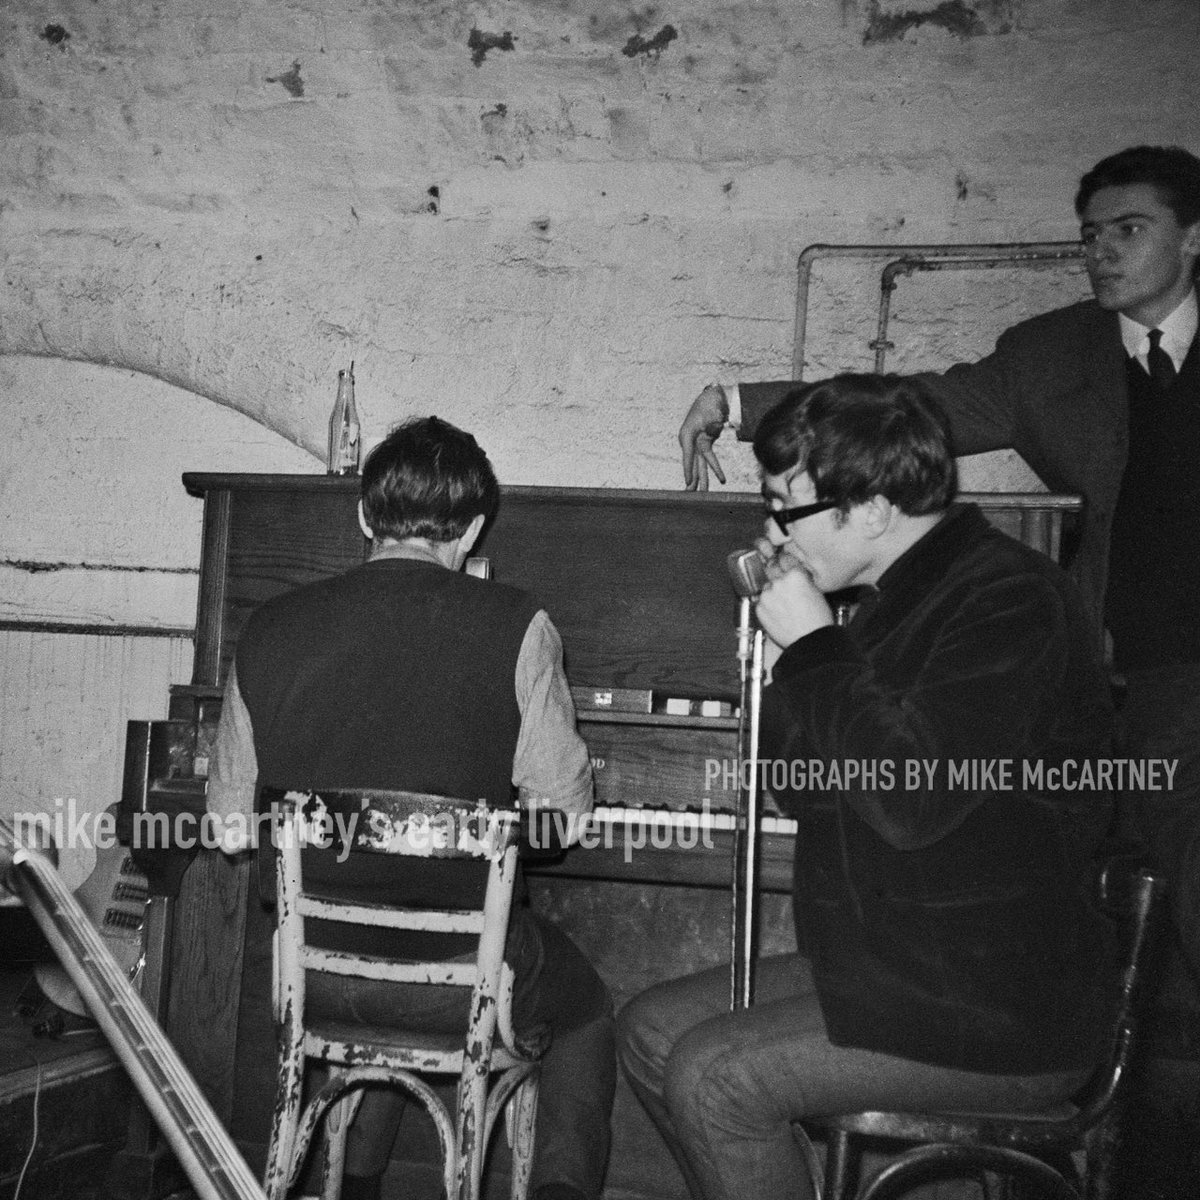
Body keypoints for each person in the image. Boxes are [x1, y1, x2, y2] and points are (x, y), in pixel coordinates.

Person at [676, 143, 1200, 989]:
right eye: (1090, 234)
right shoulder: (1053, 353)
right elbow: (913, 409)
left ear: (1194, 237)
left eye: (1129, 229)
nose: (1101, 251)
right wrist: (740, 404)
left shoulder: (999, 593)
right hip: (1121, 670)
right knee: (1134, 914)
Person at [621, 374, 1118, 1200]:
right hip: (904, 965)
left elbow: (909, 801)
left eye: (790, 506)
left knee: (716, 1079)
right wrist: (788, 671)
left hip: (1001, 1004)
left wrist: (816, 649)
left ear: (876, 508)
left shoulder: (1009, 599)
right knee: (649, 1031)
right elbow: (804, 792)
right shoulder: (892, 605)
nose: (775, 531)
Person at [207, 416, 615, 1200]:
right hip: (460, 985)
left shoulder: (268, 625)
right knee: (587, 1010)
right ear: (472, 529)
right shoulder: (519, 625)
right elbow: (562, 821)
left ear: (363, 516)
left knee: (389, 926)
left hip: (309, 978)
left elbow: (229, 829)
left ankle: (353, 1187)